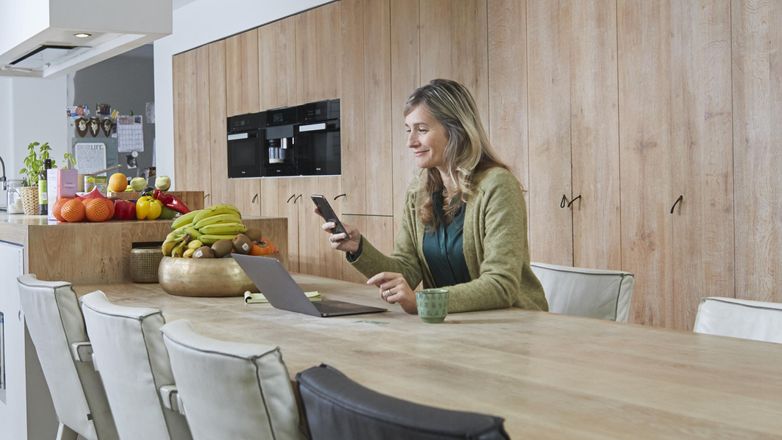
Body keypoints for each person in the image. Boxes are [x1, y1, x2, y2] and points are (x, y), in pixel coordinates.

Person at [320, 79, 547, 314]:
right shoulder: (418, 191)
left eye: (422, 129)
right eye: (409, 130)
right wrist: (358, 248)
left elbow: (501, 285)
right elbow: (406, 271)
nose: (410, 142)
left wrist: (422, 300)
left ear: (456, 129)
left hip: (513, 325)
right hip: (448, 326)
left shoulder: (497, 186)